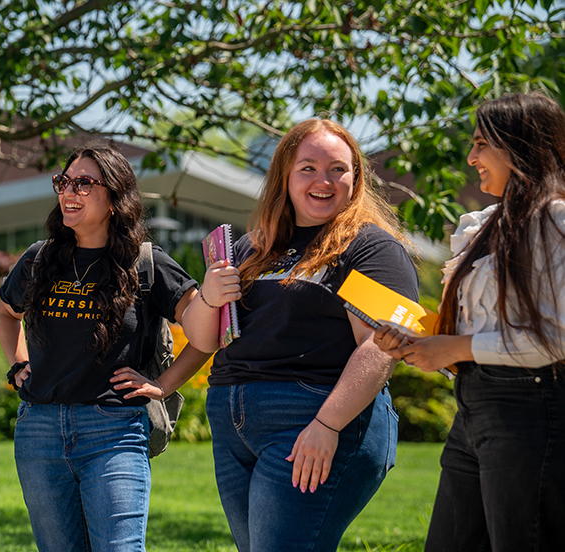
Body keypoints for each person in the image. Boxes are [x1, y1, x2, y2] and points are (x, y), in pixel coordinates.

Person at [179, 119, 418, 551]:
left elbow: (379, 347)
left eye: (338, 169)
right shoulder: (254, 247)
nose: (323, 181)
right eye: (307, 168)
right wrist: (209, 296)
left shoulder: (371, 248)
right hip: (235, 424)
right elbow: (203, 339)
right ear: (284, 178)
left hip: (313, 418)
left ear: (356, 177)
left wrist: (327, 424)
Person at [0, 141, 210, 551]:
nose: (68, 192)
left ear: (114, 197)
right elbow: (6, 313)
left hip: (113, 430)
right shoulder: (40, 259)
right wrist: (17, 362)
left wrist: (162, 385)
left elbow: (206, 333)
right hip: (40, 430)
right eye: (64, 182)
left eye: (84, 183)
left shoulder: (147, 263)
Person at [374, 92, 565, 551]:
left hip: (530, 411)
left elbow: (557, 338)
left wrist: (457, 348)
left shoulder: (555, 220)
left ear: (520, 146)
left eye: (482, 144)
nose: (470, 157)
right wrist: (422, 341)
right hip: (475, 407)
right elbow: (477, 326)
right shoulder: (487, 224)